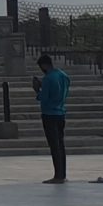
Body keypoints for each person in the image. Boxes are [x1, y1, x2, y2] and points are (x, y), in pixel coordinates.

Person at [36, 54, 70, 184]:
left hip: (49, 114)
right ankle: (62, 173)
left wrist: (38, 90)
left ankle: (58, 175)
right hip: (61, 112)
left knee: (54, 145)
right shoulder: (63, 76)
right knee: (60, 144)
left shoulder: (48, 78)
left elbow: (44, 98)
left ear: (44, 65)